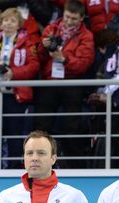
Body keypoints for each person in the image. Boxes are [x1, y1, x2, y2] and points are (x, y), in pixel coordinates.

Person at [35, 0, 94, 168]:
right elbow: (38, 58)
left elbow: (85, 63)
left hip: (71, 83)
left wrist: (65, 59)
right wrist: (42, 47)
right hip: (49, 82)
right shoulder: (51, 29)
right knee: (42, 126)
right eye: (67, 17)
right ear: (63, 14)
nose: (69, 21)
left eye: (74, 18)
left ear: (82, 18)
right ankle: (40, 164)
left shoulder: (86, 35)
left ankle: (75, 167)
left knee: (72, 127)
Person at [0, 7, 40, 169]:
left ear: (19, 24)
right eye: (5, 20)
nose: (8, 24)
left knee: (14, 132)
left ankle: (13, 168)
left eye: (12, 21)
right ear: (1, 23)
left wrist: (14, 73)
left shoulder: (27, 43)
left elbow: (34, 66)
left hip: (15, 94)